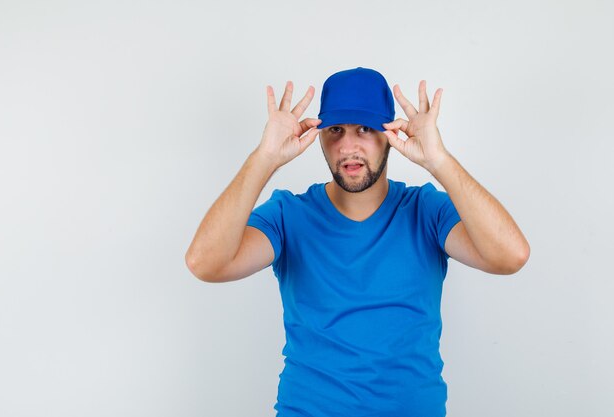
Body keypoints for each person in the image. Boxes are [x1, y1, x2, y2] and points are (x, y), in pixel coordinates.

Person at [185, 67, 530, 417]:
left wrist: (439, 161)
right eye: (336, 130)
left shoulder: (426, 211)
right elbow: (206, 264)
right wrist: (264, 159)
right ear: (319, 135)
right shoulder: (288, 215)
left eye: (364, 129)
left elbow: (511, 256)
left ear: (390, 133)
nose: (348, 146)